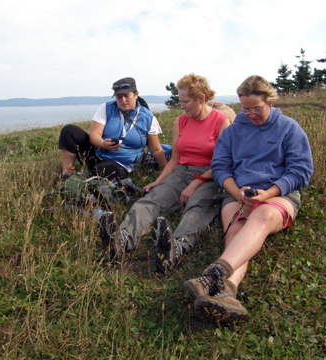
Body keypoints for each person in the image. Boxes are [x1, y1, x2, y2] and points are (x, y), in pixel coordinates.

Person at [182, 75, 314, 323]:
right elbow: (220, 168)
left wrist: (269, 193)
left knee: (262, 216)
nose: (251, 114)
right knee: (235, 236)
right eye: (245, 108)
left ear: (270, 103)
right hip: (238, 195)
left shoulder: (289, 128)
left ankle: (212, 275)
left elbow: (301, 172)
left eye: (257, 108)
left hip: (279, 196)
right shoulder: (232, 132)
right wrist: (237, 193)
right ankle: (226, 292)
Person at [99, 74, 231, 273]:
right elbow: (176, 159)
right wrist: (159, 181)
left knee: (197, 208)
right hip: (181, 172)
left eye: (186, 101)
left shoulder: (222, 122)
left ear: (201, 98)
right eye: (180, 101)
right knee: (151, 200)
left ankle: (174, 250)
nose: (182, 106)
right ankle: (121, 240)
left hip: (210, 176)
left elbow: (222, 164)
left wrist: (194, 185)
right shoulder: (181, 122)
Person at [58, 77, 167, 181]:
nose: (123, 100)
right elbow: (94, 135)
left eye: (126, 96)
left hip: (121, 163)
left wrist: (167, 169)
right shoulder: (106, 108)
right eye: (119, 97)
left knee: (99, 173)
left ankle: (91, 178)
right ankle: (67, 174)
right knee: (69, 131)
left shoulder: (148, 118)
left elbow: (156, 149)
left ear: (136, 95)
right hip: (98, 154)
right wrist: (102, 144)